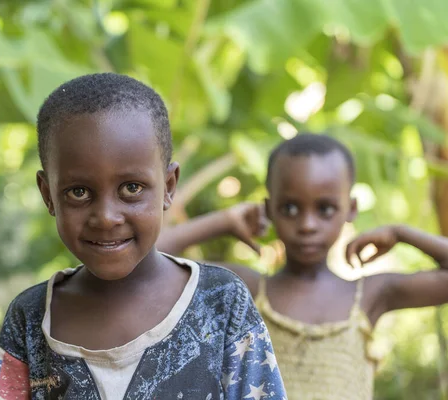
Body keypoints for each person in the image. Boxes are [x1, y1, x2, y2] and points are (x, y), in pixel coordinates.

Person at [0, 73, 287, 400]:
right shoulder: (31, 319)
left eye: (131, 188)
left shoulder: (220, 302)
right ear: (48, 194)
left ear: (168, 187)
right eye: (79, 192)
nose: (106, 217)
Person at [157, 133, 448, 400]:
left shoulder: (371, 296)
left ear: (351, 209)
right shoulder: (247, 291)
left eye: (325, 209)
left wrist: (401, 233)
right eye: (290, 209)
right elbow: (149, 257)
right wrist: (224, 221)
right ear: (269, 210)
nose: (307, 225)